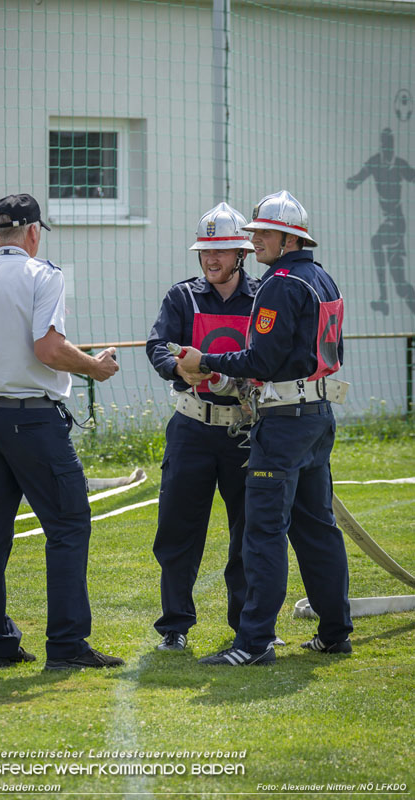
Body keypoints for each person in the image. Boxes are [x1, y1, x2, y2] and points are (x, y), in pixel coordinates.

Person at [0, 193, 125, 671]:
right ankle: (66, 646)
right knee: (68, 525)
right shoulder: (45, 275)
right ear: (34, 233)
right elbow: (47, 348)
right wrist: (94, 369)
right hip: (34, 420)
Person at [177, 190, 353, 666]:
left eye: (262, 234)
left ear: (288, 238)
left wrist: (205, 359)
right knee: (318, 528)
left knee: (263, 532)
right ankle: (335, 633)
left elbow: (261, 359)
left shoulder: (280, 283)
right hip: (317, 416)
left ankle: (253, 643)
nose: (254, 241)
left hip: (284, 422)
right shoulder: (323, 279)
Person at [146, 202, 259, 651]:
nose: (212, 259)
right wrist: (177, 371)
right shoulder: (182, 297)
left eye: (223, 250)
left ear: (241, 254)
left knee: (249, 532)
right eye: (206, 251)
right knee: (178, 529)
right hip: (192, 427)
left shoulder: (264, 296)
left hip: (246, 430)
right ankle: (174, 627)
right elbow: (158, 345)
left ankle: (246, 627)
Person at [346, 127, 415, 315]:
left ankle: (383, 298)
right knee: (401, 285)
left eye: (390, 146)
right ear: (382, 147)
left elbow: (411, 175)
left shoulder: (399, 165)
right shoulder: (375, 162)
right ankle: (386, 298)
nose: (387, 150)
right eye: (385, 146)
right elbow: (360, 176)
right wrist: (353, 181)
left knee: (376, 241)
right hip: (388, 219)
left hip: (397, 221)